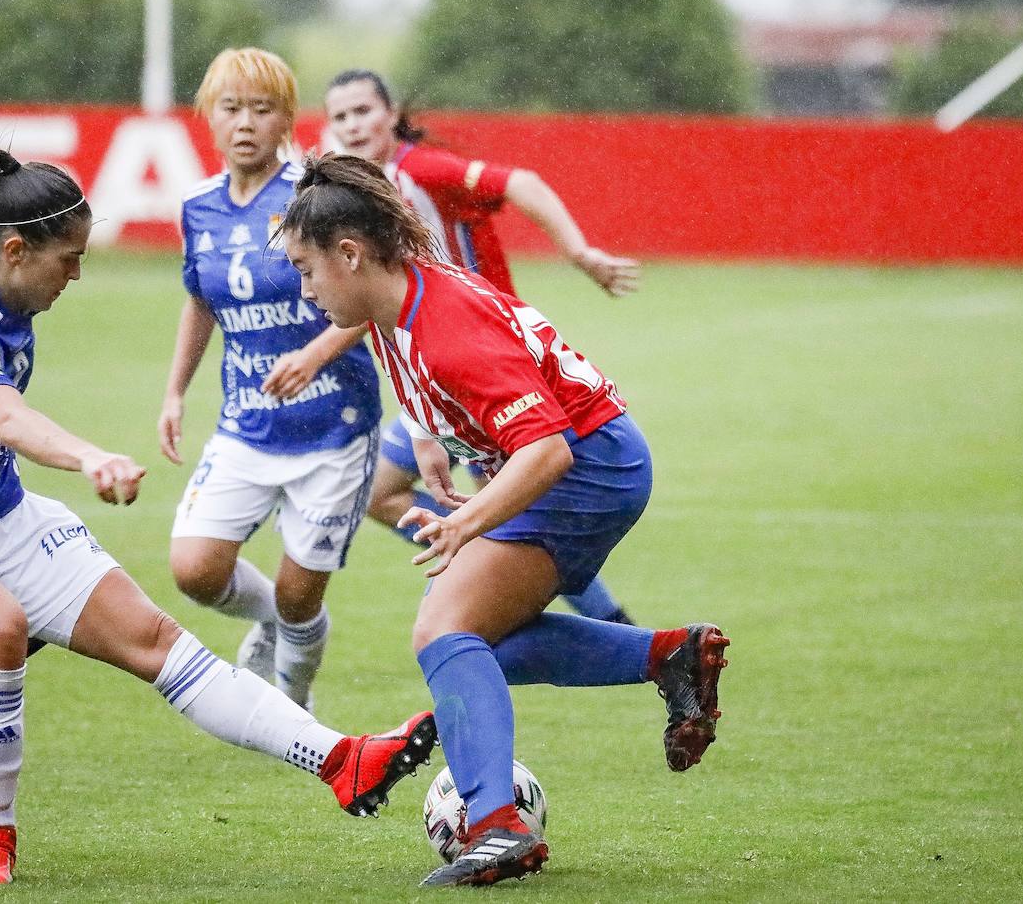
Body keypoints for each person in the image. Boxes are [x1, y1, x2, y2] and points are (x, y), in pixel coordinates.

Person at [0, 148, 435, 886]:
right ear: (18, 250)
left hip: (0, 511)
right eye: (70, 259)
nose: (78, 275)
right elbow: (8, 420)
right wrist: (91, 458)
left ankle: (342, 761)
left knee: (158, 641)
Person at [278, 153, 730, 888]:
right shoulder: (395, 298)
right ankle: (667, 656)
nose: (305, 288)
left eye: (307, 268)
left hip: (589, 469)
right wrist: (430, 442)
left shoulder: (444, 327)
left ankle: (496, 826)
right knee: (483, 643)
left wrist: (466, 523)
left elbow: (546, 450)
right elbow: (425, 380)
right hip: (592, 460)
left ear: (352, 255)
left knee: (445, 631)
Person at [323, 68, 639, 624]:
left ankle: (607, 626)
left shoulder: (419, 170)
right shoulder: (363, 202)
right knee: (381, 493)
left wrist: (577, 251)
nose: (352, 125)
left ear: (392, 113)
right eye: (340, 116)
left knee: (521, 522)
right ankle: (474, 549)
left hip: (481, 369)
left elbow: (522, 182)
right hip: (437, 381)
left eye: (363, 111)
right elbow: (380, 303)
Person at [158, 48, 383, 708]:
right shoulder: (198, 207)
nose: (246, 123)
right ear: (209, 116)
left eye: (263, 109)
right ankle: (269, 625)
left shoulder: (316, 199)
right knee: (195, 570)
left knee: (298, 594)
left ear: (287, 118)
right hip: (247, 424)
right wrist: (175, 390)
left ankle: (292, 705)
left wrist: (315, 354)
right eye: (231, 108)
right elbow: (200, 301)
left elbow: (377, 295)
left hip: (333, 426)